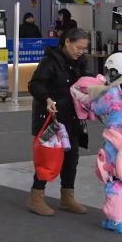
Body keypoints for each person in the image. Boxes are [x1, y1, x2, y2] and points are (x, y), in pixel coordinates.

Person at [71, 53, 122, 234]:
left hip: (116, 141)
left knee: (114, 179)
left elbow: (96, 107)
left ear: (115, 71)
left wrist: (80, 95)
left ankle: (118, 222)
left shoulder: (113, 93)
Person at [26, 27, 91, 216]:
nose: (81, 52)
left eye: (84, 48)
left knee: (72, 158)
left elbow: (88, 82)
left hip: (73, 117)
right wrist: (46, 99)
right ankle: (36, 197)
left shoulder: (81, 62)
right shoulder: (50, 61)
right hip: (51, 118)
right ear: (67, 42)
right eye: (78, 47)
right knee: (48, 157)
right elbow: (35, 84)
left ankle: (67, 196)